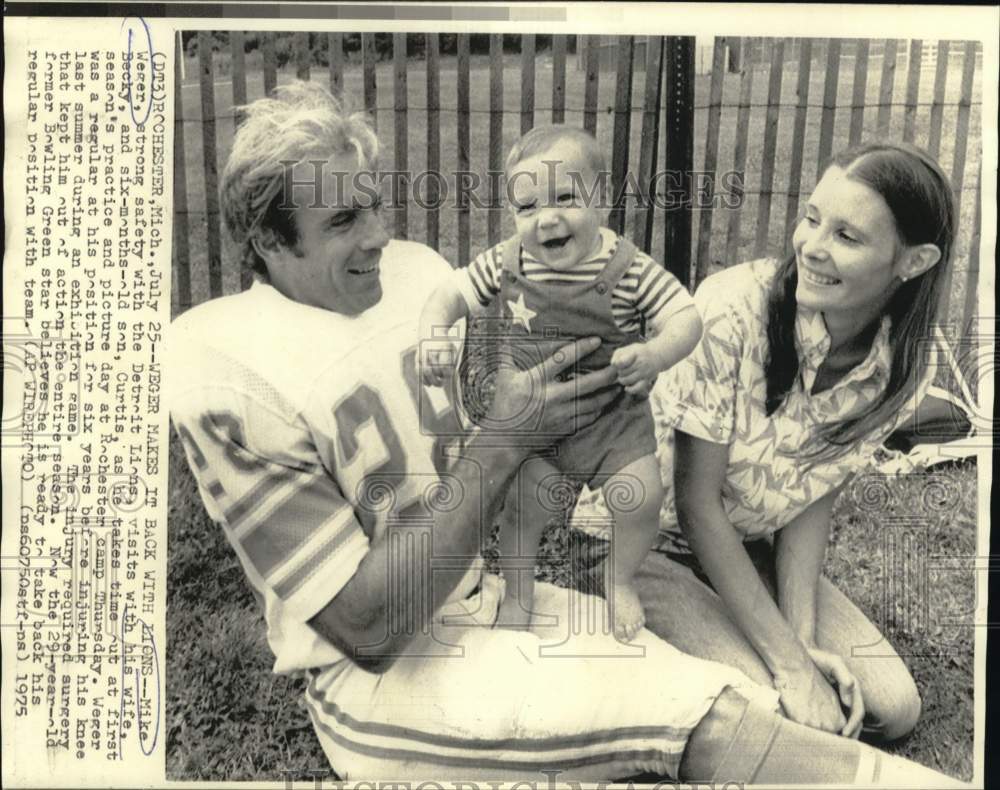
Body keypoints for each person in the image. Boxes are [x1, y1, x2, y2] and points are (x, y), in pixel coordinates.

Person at [169, 83, 961, 786]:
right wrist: (515, 433)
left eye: (375, 202)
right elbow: (367, 629)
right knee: (715, 714)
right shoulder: (225, 369)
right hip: (380, 674)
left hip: (489, 591)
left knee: (748, 698)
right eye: (344, 219)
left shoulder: (414, 276)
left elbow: (490, 419)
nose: (378, 233)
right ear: (269, 242)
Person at [576, 141, 956, 745]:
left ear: (912, 262)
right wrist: (791, 668)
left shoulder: (904, 368)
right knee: (775, 713)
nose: (811, 246)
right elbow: (696, 504)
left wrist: (801, 639)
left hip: (747, 545)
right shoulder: (732, 309)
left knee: (894, 707)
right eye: (811, 218)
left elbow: (813, 495)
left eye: (847, 236)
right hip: (643, 541)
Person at [419, 125, 702, 639]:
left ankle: (617, 578)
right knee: (521, 514)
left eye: (566, 198)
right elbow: (448, 294)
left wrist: (656, 354)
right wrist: (435, 334)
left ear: (604, 201)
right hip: (534, 424)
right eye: (527, 208)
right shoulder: (508, 262)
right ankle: (520, 593)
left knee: (641, 498)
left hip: (611, 421)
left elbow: (686, 317)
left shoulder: (629, 268)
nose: (547, 219)